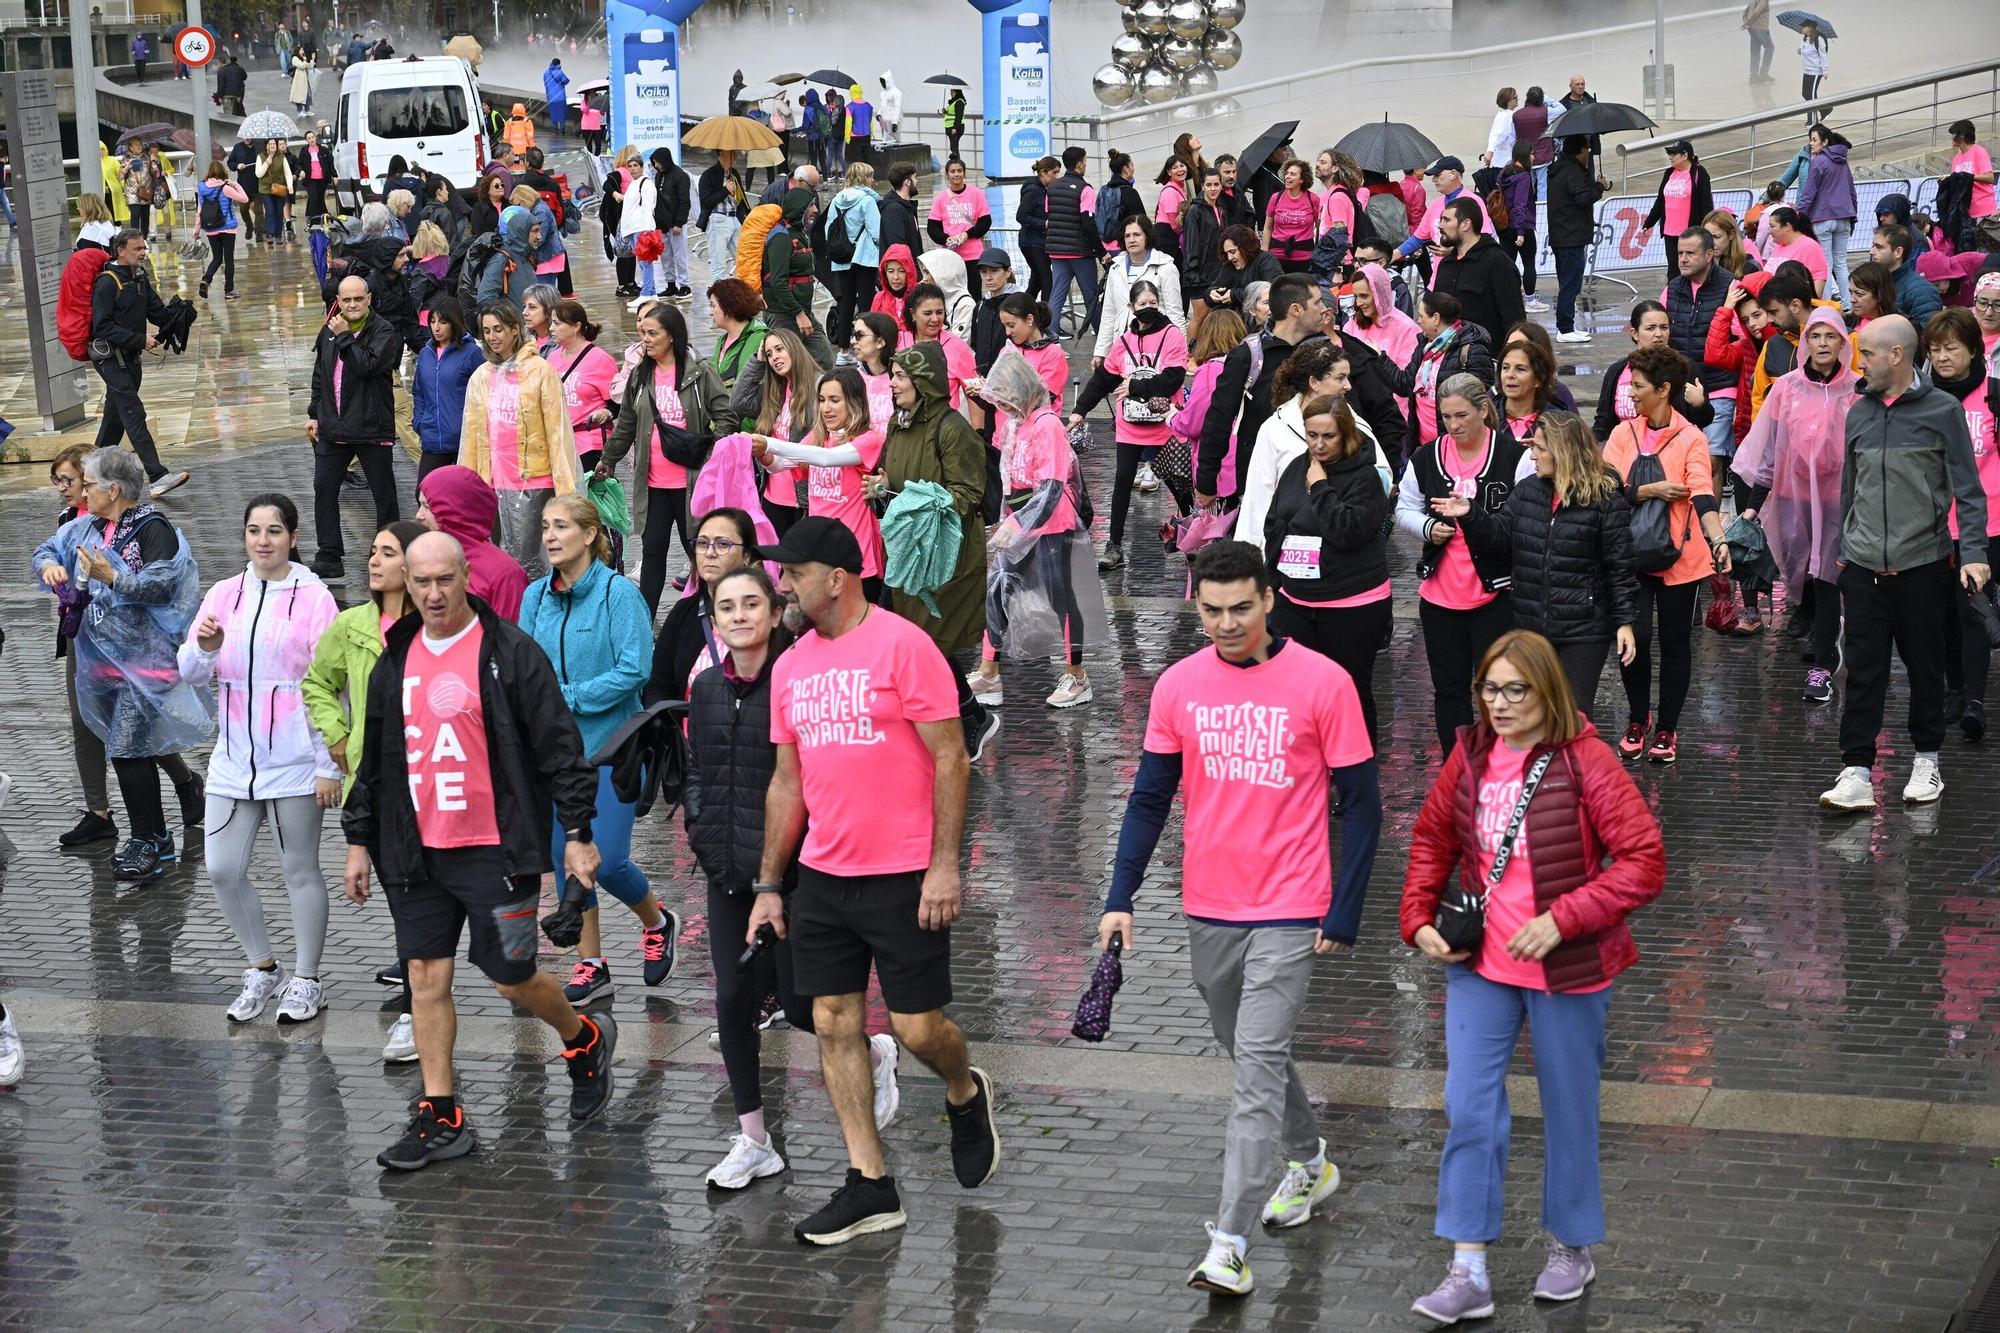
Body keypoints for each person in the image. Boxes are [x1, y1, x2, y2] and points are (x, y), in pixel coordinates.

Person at [1102, 539, 1380, 1297]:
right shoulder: (1178, 686)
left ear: (1269, 600)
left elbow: (1362, 804)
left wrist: (1345, 906)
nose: (1226, 623)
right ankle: (1309, 1158)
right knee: (1245, 1048)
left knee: (1253, 1070)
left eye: (1240, 608)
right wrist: (1120, 895)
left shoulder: (1324, 683)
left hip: (1292, 905)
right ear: (1196, 602)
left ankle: (1228, 1242)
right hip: (1209, 904)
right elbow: (1150, 796)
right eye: (1212, 609)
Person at [1401, 629, 1666, 1323]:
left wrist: (1565, 917)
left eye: (1516, 689)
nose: (1501, 703)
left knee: (1570, 1109)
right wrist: (1418, 917)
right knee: (1469, 1105)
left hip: (1570, 968)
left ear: (1546, 689)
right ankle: (1467, 1267)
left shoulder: (1589, 761)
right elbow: (1433, 837)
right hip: (1481, 964)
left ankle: (1571, 1247)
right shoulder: (1471, 755)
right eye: (1491, 688)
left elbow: (1643, 859)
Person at [748, 514, 999, 1244]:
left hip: (905, 874)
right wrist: (770, 883)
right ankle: (870, 1180)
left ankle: (962, 1087)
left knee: (919, 1028)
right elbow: (787, 782)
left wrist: (945, 864)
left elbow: (952, 757)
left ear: (837, 577)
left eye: (792, 572)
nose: (781, 584)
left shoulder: (904, 646)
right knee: (832, 1019)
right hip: (823, 874)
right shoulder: (792, 664)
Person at [342, 531, 618, 1170]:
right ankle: (442, 1115)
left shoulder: (510, 653)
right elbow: (375, 759)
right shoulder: (396, 658)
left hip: (497, 852)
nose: (434, 594)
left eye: (445, 579)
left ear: (466, 576)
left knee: (511, 978)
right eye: (421, 582)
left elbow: (559, 749)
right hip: (414, 853)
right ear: (406, 584)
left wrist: (577, 834)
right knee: (425, 978)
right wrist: (359, 841)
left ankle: (582, 1040)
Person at [685, 563, 880, 1190]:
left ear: (774, 612)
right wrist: (703, 833)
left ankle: (874, 1053)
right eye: (726, 607)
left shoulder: (798, 680)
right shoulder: (708, 689)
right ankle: (753, 1138)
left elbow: (816, 777)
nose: (739, 616)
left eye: (751, 604)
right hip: (727, 874)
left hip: (797, 877)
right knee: (733, 1002)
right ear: (713, 621)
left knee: (802, 1008)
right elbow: (699, 773)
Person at [178, 494, 340, 1024]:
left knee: (299, 868)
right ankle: (262, 966)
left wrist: (326, 764)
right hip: (233, 758)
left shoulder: (316, 599)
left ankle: (307, 978)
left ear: (293, 536)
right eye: (254, 530)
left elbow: (330, 687)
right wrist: (206, 647)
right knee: (222, 868)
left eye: (274, 530)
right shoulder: (225, 593)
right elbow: (189, 671)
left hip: (295, 759)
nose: (263, 540)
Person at [1817, 317, 1990, 810]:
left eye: (1866, 353)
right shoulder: (1859, 412)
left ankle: (1927, 760)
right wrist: (1844, 552)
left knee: (1925, 666)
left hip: (1924, 565)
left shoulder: (1942, 411)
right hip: (1864, 566)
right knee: (1865, 670)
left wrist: (1974, 555)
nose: (1858, 362)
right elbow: (1850, 488)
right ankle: (1855, 771)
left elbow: (1968, 492)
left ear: (1895, 355)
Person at [519, 495, 679, 1004]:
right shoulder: (534, 598)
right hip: (553, 755)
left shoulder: (618, 595)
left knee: (605, 860)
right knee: (566, 859)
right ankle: (592, 963)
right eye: (545, 526)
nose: (548, 536)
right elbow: (525, 667)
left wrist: (565, 699)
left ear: (589, 535)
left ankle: (658, 922)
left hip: (613, 748)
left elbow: (635, 669)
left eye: (560, 526)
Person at [303, 519, 429, 1061]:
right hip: (370, 787)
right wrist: (338, 734)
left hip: (428, 782)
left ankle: (417, 1005)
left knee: (421, 902)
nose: (373, 561)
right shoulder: (353, 624)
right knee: (404, 901)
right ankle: (413, 1006)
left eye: (386, 552)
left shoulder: (435, 625)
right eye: (372, 551)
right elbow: (316, 681)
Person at [35, 447, 204, 852]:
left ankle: (149, 837)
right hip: (99, 659)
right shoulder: (87, 526)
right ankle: (152, 835)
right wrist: (48, 567)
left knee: (128, 747)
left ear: (113, 489)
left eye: (87, 484)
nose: (81, 492)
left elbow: (164, 586)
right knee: (129, 747)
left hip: (144, 658)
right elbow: (46, 549)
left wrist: (114, 577)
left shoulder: (152, 527)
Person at [1601, 346, 1731, 765]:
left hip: (1683, 557)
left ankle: (1667, 728)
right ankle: (1639, 718)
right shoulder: (1623, 434)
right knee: (1633, 638)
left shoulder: (1692, 436)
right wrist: (1651, 490)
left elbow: (1703, 493)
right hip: (1629, 556)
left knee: (1676, 644)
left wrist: (1718, 540)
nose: (1632, 393)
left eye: (1638, 386)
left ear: (1663, 389)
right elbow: (1605, 491)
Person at [1399, 374, 1532, 757]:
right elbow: (1404, 506)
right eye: (1446, 417)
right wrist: (1426, 527)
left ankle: (1500, 764)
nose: (1454, 426)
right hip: (1440, 596)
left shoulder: (1513, 457)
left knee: (1500, 687)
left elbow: (1521, 525)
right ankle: (1457, 765)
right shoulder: (1425, 457)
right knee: (1449, 690)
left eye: (1462, 416)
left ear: (1483, 410)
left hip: (1495, 594)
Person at [877, 344, 998, 757]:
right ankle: (961, 719)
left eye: (900, 376)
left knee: (927, 640)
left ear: (922, 381)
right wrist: (881, 488)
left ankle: (967, 719)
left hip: (948, 556)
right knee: (911, 639)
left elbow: (968, 491)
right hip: (909, 554)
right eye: (891, 375)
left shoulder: (952, 428)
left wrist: (922, 503)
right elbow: (891, 476)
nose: (892, 383)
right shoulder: (899, 424)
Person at [967, 348, 1103, 709]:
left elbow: (1052, 486)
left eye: (1007, 398)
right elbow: (1010, 481)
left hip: (1051, 525)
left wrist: (1019, 522)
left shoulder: (1046, 425)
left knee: (1062, 599)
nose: (1004, 407)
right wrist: (1006, 521)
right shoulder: (1016, 424)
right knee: (997, 589)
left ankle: (1077, 676)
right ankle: (988, 672)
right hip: (1020, 522)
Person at [1733, 307, 1856, 703]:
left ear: (1842, 343)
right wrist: (1752, 509)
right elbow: (1769, 452)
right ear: (1805, 342)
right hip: (1794, 503)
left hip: (1840, 506)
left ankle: (1821, 667)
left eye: (1830, 336)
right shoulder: (1785, 388)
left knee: (1827, 578)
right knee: (1803, 575)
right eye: (1815, 336)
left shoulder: (1857, 389)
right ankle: (1828, 634)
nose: (1822, 344)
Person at [1260, 390, 1394, 740]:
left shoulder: (1365, 477)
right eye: (1312, 435)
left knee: (1348, 689)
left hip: (1351, 605)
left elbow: (1346, 531)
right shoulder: (1296, 466)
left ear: (1346, 434)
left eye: (1328, 436)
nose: (1318, 445)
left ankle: (1356, 769)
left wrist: (1320, 488)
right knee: (1299, 690)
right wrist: (1273, 581)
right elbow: (1275, 522)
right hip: (1297, 600)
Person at [598, 301, 729, 615]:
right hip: (653, 485)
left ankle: (716, 615)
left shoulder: (699, 371)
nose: (646, 339)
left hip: (692, 484)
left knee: (699, 553)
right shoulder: (641, 376)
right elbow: (627, 422)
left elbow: (725, 415)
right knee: (653, 551)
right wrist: (609, 458)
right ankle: (644, 623)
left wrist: (711, 455)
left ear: (671, 335)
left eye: (652, 333)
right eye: (643, 333)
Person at [1504, 413, 1638, 716]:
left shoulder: (1605, 500)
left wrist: (1625, 622)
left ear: (1562, 451)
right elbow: (1497, 536)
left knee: (1572, 716)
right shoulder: (1527, 491)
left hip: (1584, 628)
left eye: (1539, 448)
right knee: (1534, 716)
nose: (1532, 454)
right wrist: (1470, 515)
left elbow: (1619, 565)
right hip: (1533, 624)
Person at [457, 299, 580, 578]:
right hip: (491, 484)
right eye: (486, 331)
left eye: (498, 329)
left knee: (529, 563)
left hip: (533, 482)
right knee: (497, 562)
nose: (492, 337)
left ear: (515, 330)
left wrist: (566, 489)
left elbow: (557, 432)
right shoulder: (481, 377)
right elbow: (472, 437)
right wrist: (468, 487)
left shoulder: (540, 371)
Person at [1072, 281, 1188, 569]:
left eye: (1152, 302)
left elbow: (1172, 379)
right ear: (1131, 307)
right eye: (1142, 304)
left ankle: (1194, 536)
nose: (1148, 308)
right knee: (1122, 481)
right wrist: (1080, 410)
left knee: (1179, 485)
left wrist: (1135, 385)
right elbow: (1103, 380)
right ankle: (1114, 546)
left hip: (1163, 425)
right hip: (1129, 426)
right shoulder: (1123, 342)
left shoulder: (1173, 335)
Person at [1924, 308, 2000, 739]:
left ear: (1974, 348)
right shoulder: (1924, 398)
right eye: (1934, 349)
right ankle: (1954, 690)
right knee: (1944, 616)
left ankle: (1974, 699)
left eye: (1951, 347)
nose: (1943, 357)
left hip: (1987, 525)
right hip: (1934, 528)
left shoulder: (1993, 395)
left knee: (1972, 609)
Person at [758, 366, 888, 595]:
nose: (826, 408)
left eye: (834, 400)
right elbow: (779, 465)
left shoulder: (868, 439)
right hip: (819, 556)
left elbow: (827, 459)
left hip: (857, 557)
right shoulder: (818, 438)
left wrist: (768, 443)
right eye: (821, 400)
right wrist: (760, 453)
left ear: (854, 402)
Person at [1198, 275, 1325, 505]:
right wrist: (1206, 481)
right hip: (1259, 482)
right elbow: (1219, 418)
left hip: (1316, 480)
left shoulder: (1324, 353)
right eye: (1317, 302)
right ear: (1296, 309)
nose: (1324, 309)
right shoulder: (1248, 355)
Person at [306, 276, 402, 582]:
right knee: (323, 488)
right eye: (345, 300)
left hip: (371, 427)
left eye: (357, 299)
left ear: (369, 299)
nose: (351, 305)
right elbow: (320, 375)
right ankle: (329, 555)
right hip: (334, 428)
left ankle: (388, 551)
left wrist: (346, 337)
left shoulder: (383, 331)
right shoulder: (330, 330)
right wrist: (314, 413)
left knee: (383, 494)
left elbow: (368, 367)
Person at [89, 229, 191, 497]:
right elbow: (101, 327)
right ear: (120, 251)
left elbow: (157, 313)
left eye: (144, 248)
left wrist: (180, 316)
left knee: (114, 421)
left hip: (131, 359)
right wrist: (139, 339)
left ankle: (89, 474)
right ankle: (157, 476)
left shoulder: (140, 278)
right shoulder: (107, 283)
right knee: (134, 414)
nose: (143, 253)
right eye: (137, 249)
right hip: (111, 359)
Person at [646, 508, 758, 704]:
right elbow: (658, 685)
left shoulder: (769, 615)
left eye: (723, 545)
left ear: (747, 555)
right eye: (702, 544)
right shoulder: (683, 613)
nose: (710, 553)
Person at [1663, 228, 1740, 483]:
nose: (1682, 259)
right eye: (1680, 253)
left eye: (1690, 253)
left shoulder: (1731, 287)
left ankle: (1711, 522)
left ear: (1709, 255)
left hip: (1719, 387)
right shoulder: (1672, 288)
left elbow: (1741, 340)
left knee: (1711, 460)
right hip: (1680, 388)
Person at [416, 466, 528, 620]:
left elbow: (510, 639)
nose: (418, 515)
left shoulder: (504, 574)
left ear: (455, 511)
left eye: (427, 507)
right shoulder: (418, 558)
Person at [1433, 198, 1526, 355]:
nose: (1440, 225)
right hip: (1447, 362)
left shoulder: (1498, 263)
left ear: (1465, 224)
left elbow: (1514, 321)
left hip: (1486, 364)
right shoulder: (1446, 265)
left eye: (1446, 220)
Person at [1094, 214, 1185, 365]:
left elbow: (1175, 313)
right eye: (1127, 235)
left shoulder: (1166, 267)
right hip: (1121, 347)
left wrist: (1180, 353)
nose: (1131, 239)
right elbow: (1109, 314)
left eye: (1137, 234)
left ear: (1147, 237)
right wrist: (1101, 352)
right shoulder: (1116, 268)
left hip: (1155, 346)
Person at [412, 296, 483, 484]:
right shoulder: (425, 354)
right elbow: (419, 391)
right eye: (433, 321)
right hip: (432, 439)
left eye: (443, 322)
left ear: (454, 322)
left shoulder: (472, 353)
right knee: (424, 493)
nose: (436, 327)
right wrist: (419, 421)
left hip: (464, 440)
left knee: (464, 496)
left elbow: (485, 393)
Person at [545, 298, 619, 475]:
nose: (551, 329)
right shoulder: (552, 359)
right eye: (551, 323)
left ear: (576, 326)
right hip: (561, 443)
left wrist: (606, 413)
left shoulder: (600, 359)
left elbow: (618, 402)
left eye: (557, 323)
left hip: (590, 444)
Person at [762, 187, 828, 367]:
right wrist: (798, 314)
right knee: (788, 367)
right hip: (784, 315)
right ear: (799, 208)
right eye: (811, 205)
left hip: (801, 311)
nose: (815, 210)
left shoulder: (800, 233)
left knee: (823, 358)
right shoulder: (781, 238)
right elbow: (778, 282)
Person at [1044, 147, 1101, 339]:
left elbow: (1048, 214)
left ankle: (1051, 332)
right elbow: (1089, 223)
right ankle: (1101, 332)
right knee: (1090, 294)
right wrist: (1101, 251)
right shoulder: (1085, 189)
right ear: (1079, 164)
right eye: (1085, 161)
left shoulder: (1051, 187)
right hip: (1080, 251)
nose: (1085, 165)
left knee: (1057, 293)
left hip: (1056, 250)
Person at [1798, 125, 1857, 309]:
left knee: (1825, 265)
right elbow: (1852, 192)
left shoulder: (1820, 162)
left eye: (1814, 139)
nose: (1811, 143)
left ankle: (1825, 306)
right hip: (1844, 217)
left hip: (1823, 218)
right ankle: (1848, 305)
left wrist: (1799, 213)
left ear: (1825, 142)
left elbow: (1809, 192)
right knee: (1840, 263)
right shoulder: (1843, 163)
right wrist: (1852, 216)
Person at [826, 163, 884, 350]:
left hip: (842, 257)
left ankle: (843, 350)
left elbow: (829, 228)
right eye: (870, 176)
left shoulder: (836, 199)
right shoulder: (868, 201)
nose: (873, 180)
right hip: (864, 258)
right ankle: (864, 347)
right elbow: (876, 232)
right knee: (866, 304)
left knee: (846, 303)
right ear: (863, 178)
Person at [709, 279, 770, 422]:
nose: (710, 312)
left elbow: (754, 389)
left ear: (728, 307)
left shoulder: (760, 339)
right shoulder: (721, 341)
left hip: (747, 428)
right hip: (724, 421)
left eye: (713, 306)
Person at [1642, 142, 1714, 256]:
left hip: (1691, 234)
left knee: (1690, 267)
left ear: (1685, 155)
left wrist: (1707, 230)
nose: (1670, 157)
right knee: (1673, 270)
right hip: (1669, 232)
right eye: (1670, 154)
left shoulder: (1699, 173)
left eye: (1674, 154)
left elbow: (1706, 204)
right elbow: (1661, 200)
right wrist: (1649, 222)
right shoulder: (1669, 172)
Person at [1495, 143, 1543, 313]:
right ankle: (1530, 301)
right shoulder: (1523, 177)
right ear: (1524, 155)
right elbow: (1520, 205)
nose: (1533, 158)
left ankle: (1508, 299)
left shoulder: (1504, 172)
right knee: (1529, 263)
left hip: (1504, 225)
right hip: (1521, 226)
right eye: (1531, 154)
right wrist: (1521, 232)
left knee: (1508, 265)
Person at [1871, 222, 1943, 326]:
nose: (1871, 252)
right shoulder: (1876, 282)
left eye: (1878, 247)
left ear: (1898, 252)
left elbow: (1929, 334)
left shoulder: (1921, 290)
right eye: (1873, 246)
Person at [698, 149, 749, 285]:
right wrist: (725, 190)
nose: (735, 157)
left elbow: (741, 199)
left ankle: (744, 291)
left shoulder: (734, 173)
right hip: (718, 219)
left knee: (744, 260)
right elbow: (706, 201)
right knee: (718, 262)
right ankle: (720, 296)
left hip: (735, 219)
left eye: (735, 154)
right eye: (731, 154)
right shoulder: (708, 175)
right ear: (721, 154)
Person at [927, 157, 991, 265]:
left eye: (959, 171)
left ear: (964, 174)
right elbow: (932, 227)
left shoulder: (977, 193)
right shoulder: (940, 198)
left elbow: (985, 221)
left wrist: (967, 234)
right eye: (952, 171)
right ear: (946, 175)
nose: (956, 174)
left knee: (974, 282)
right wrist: (946, 239)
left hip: (974, 254)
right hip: (950, 254)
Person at [1260, 160, 1317, 276]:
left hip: (1304, 258)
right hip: (1277, 257)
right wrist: (1264, 253)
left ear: (1302, 179)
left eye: (1293, 174)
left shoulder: (1313, 199)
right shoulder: (1276, 198)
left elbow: (1321, 226)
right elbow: (1267, 227)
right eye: (1287, 173)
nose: (1287, 177)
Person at [1015, 156, 1057, 305]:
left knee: (1036, 282)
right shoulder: (1033, 190)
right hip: (1032, 242)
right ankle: (1046, 320)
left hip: (1039, 242)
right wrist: (1044, 223)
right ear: (1043, 172)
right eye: (1054, 173)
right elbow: (1021, 216)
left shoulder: (1041, 189)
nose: (1056, 177)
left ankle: (1021, 311)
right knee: (1047, 280)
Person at [1763, 205, 1829, 295]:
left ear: (1787, 226)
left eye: (1772, 226)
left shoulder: (1810, 246)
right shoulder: (1779, 247)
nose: (1769, 231)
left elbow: (1818, 281)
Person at [1946, 120, 1997, 223]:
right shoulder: (1956, 158)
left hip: (1983, 210)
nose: (1951, 138)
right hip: (1965, 212)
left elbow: (1990, 178)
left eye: (1954, 134)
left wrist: (1967, 176)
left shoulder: (1979, 151)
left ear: (1962, 136)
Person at [255, 138, 294, 248]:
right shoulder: (261, 157)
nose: (272, 146)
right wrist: (267, 163)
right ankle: (269, 233)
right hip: (266, 189)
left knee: (279, 211)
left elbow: (288, 173)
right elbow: (258, 174)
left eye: (274, 144)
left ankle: (278, 234)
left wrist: (290, 185)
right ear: (266, 146)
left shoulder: (281, 157)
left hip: (279, 189)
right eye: (270, 144)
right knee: (270, 210)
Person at [1798, 18, 1829, 110]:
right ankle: (1825, 109)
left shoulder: (1819, 39)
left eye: (1803, 26)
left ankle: (1812, 121)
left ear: (1809, 28)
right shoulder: (1805, 38)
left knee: (1811, 97)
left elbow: (1823, 55)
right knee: (1805, 94)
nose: (1802, 28)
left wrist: (1825, 70)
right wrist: (1801, 51)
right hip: (1806, 70)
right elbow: (1805, 49)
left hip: (1816, 71)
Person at [1743, 0, 1775, 82]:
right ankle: (1763, 74)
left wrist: (1746, 23)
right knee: (1770, 48)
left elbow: (1745, 12)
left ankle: (1753, 77)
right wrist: (1749, 22)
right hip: (1761, 27)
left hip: (1752, 27)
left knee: (1755, 50)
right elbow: (1756, 13)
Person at [542, 57, 569, 131]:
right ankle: (562, 129)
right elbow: (566, 81)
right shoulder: (559, 72)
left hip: (550, 96)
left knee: (553, 113)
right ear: (558, 64)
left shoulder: (546, 73)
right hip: (560, 97)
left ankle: (554, 129)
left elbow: (545, 83)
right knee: (561, 113)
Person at [943, 88, 967, 162]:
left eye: (952, 92)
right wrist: (945, 111)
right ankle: (956, 162)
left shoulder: (959, 102)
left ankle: (957, 163)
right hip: (950, 127)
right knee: (953, 147)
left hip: (956, 128)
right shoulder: (952, 102)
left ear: (957, 92)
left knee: (954, 147)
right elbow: (951, 113)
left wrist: (955, 128)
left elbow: (958, 116)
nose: (950, 93)